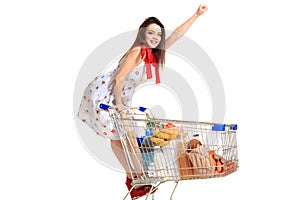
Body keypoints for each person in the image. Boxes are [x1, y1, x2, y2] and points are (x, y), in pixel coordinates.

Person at [78, 4, 208, 199]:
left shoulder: (153, 52)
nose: (155, 37)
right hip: (107, 93)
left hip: (119, 94)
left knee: (119, 139)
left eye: (158, 34)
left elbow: (177, 35)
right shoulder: (138, 51)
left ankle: (134, 179)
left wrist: (196, 15)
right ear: (143, 34)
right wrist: (120, 105)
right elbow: (119, 77)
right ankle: (138, 179)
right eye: (151, 33)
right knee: (122, 138)